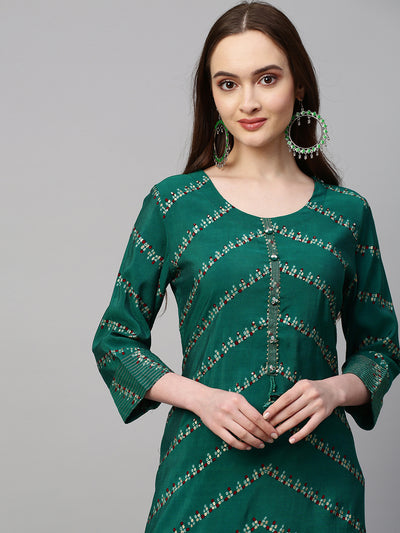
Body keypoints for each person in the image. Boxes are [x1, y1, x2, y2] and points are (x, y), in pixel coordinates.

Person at [92, 2, 399, 531]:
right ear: (211, 95)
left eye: (267, 79)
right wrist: (201, 399)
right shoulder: (173, 204)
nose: (248, 102)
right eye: (228, 84)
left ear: (299, 86)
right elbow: (114, 341)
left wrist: (334, 389)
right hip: (201, 480)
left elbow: (382, 348)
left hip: (321, 487)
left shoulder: (347, 213)